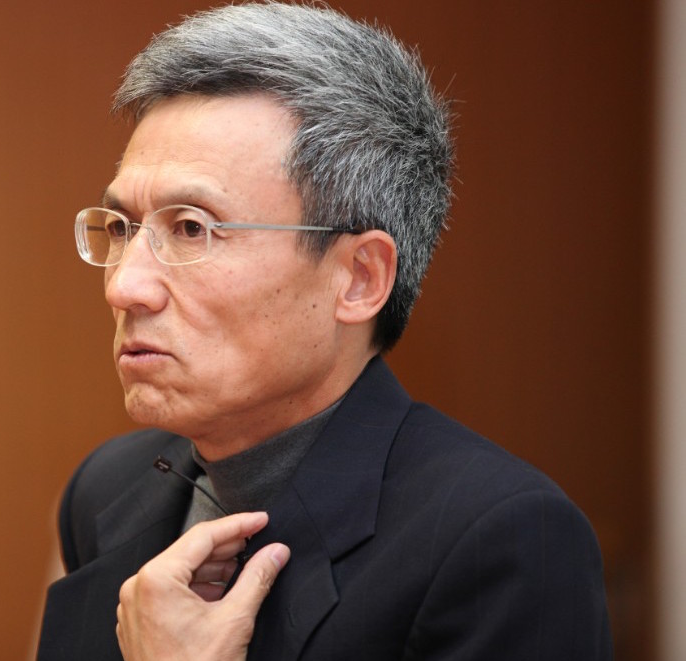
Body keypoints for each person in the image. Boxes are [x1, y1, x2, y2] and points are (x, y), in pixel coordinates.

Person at [37, 3, 612, 659]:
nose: (124, 286)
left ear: (359, 278)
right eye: (122, 228)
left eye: (192, 227)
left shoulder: (499, 542)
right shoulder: (107, 488)